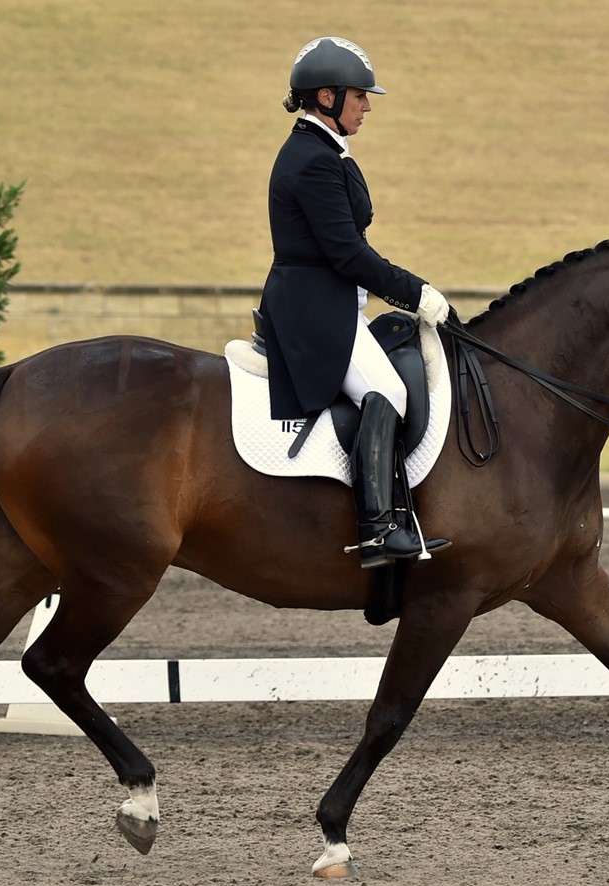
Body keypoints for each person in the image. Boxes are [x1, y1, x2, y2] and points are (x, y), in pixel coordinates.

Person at [259, 36, 451, 569]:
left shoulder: (322, 151)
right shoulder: (313, 161)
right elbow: (347, 254)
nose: (368, 106)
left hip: (331, 303)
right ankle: (377, 529)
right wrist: (416, 292)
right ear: (327, 97)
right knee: (387, 389)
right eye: (360, 96)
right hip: (314, 311)